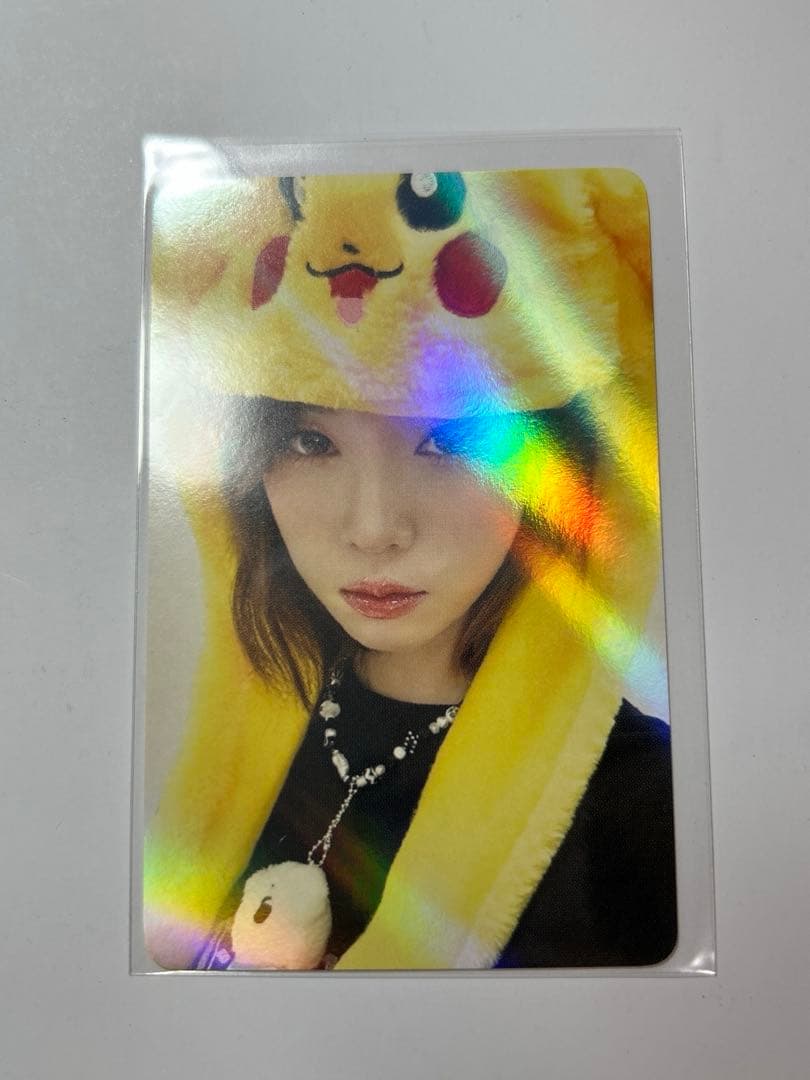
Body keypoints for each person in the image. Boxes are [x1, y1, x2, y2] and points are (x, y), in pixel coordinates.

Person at [143, 165, 676, 970]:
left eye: (450, 440)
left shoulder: (648, 807)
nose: (373, 530)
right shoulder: (233, 735)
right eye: (310, 440)